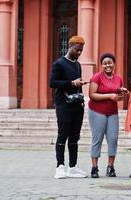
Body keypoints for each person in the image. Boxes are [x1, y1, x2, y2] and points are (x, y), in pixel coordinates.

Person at [50, 36, 88, 179]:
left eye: (81, 50)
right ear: (70, 46)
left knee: (74, 137)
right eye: (77, 50)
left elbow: (76, 83)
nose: (79, 53)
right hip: (63, 105)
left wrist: (79, 85)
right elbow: (52, 83)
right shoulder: (59, 63)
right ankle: (60, 167)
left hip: (77, 105)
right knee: (63, 135)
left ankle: (72, 167)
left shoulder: (78, 65)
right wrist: (71, 83)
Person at [88, 53, 128, 178]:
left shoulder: (118, 78)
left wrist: (122, 94)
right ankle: (94, 168)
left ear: (114, 64)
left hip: (112, 112)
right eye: (105, 63)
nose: (108, 65)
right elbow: (92, 95)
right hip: (97, 111)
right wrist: (110, 95)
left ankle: (110, 167)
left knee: (113, 138)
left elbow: (119, 98)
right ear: (102, 65)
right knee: (97, 138)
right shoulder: (97, 77)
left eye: (110, 62)